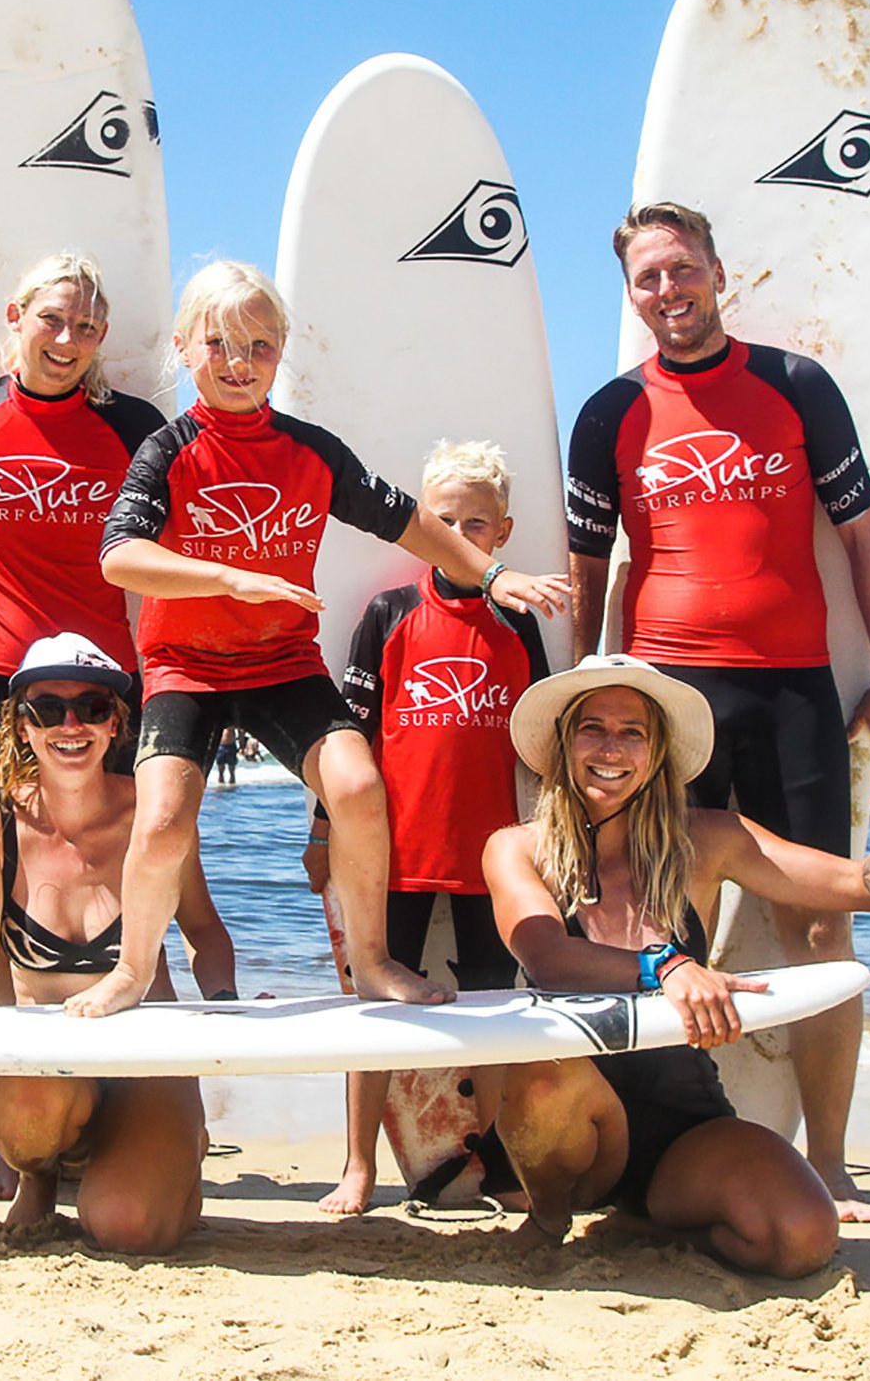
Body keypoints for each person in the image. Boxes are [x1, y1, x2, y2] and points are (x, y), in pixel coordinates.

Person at [94, 260, 568, 1016]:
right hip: (185, 664)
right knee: (160, 822)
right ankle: (130, 971)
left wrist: (492, 576)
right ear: (184, 348)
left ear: (283, 349)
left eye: (259, 344)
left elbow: (410, 521)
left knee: (357, 785)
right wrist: (227, 578)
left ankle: (373, 960)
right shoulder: (169, 450)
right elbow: (121, 556)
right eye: (218, 344)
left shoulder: (311, 450)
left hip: (282, 661)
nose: (239, 363)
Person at [565, 202, 870, 1220]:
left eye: (681, 270)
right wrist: (584, 692)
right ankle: (655, 1150)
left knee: (821, 928)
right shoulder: (608, 413)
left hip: (792, 687)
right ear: (631, 296)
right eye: (646, 279)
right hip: (666, 699)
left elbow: (861, 542)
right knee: (653, 930)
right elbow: (591, 568)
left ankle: (832, 1160)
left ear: (719, 272)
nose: (666, 291)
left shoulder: (796, 388)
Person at [484, 655, 870, 1273]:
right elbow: (546, 956)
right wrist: (668, 966)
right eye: (592, 728)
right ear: (562, 744)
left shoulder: (708, 840)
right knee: (545, 1066)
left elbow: (858, 886)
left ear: (657, 752)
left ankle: (643, 1226)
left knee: (799, 1238)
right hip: (571, 1120)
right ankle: (548, 1215)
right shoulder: (517, 848)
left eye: (633, 732)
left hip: (684, 1124)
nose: (612, 747)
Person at [0, 634, 234, 1250]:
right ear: (21, 727)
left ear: (116, 725)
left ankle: (171, 1146)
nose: (70, 724)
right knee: (29, 1113)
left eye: (91, 707)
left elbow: (205, 932)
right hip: (43, 1074)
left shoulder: (151, 817)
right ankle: (39, 1174)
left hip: (146, 1062)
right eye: (48, 709)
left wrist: (226, 1006)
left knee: (129, 1229)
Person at [310, 440, 549, 1215]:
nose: (459, 535)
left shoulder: (519, 620)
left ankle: (500, 1160)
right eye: (442, 520)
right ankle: (357, 1165)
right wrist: (323, 833)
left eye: (475, 524)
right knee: (372, 1017)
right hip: (393, 856)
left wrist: (557, 842)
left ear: (501, 533)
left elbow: (544, 740)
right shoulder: (389, 613)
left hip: (491, 857)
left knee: (499, 1011)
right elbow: (348, 733)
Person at [0, 253, 166, 799]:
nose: (67, 340)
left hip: (104, 690)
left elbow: (174, 554)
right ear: (15, 316)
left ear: (102, 337)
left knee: (109, 877)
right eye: (51, 319)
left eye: (86, 327)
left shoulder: (135, 426)